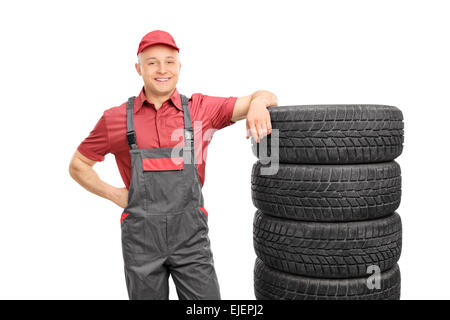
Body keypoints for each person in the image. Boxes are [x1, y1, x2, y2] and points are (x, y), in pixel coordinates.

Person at [69, 30, 278, 300]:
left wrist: (259, 103)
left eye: (169, 61)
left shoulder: (201, 109)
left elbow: (265, 95)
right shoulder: (116, 118)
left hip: (190, 239)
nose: (162, 69)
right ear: (139, 68)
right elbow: (78, 164)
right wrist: (117, 194)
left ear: (179, 67)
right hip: (141, 240)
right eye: (152, 62)